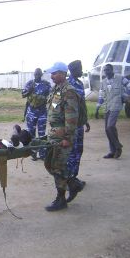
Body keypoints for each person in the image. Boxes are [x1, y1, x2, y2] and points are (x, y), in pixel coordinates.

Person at [44, 62, 80, 211]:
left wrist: (67, 138)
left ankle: (61, 200)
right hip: (54, 134)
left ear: (62, 74)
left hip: (63, 135)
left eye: (54, 73)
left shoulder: (69, 92)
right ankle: (73, 182)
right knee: (49, 164)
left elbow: (71, 118)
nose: (51, 76)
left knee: (57, 167)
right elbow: (54, 111)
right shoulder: (57, 90)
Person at [95, 64, 130, 159]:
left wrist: (124, 96)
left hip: (116, 106)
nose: (106, 72)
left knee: (110, 126)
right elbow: (101, 95)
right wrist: (97, 107)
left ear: (112, 70)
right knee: (107, 129)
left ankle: (118, 147)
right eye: (105, 70)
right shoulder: (104, 82)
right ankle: (112, 151)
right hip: (107, 107)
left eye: (108, 70)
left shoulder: (120, 78)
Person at [66, 60, 90, 202]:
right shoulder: (66, 85)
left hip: (79, 125)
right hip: (70, 126)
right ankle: (69, 180)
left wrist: (85, 120)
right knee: (70, 153)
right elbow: (56, 105)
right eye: (80, 68)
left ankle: (74, 177)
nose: (82, 70)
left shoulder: (80, 84)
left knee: (78, 151)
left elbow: (82, 105)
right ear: (74, 70)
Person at [22, 68, 51, 160]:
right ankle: (33, 154)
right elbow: (23, 95)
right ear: (34, 74)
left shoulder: (46, 84)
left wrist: (54, 108)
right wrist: (29, 90)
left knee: (42, 134)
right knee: (31, 134)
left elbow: (54, 96)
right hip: (31, 112)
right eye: (36, 74)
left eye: (39, 74)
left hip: (42, 112)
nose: (37, 76)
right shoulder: (29, 83)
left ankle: (42, 154)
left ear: (41, 74)